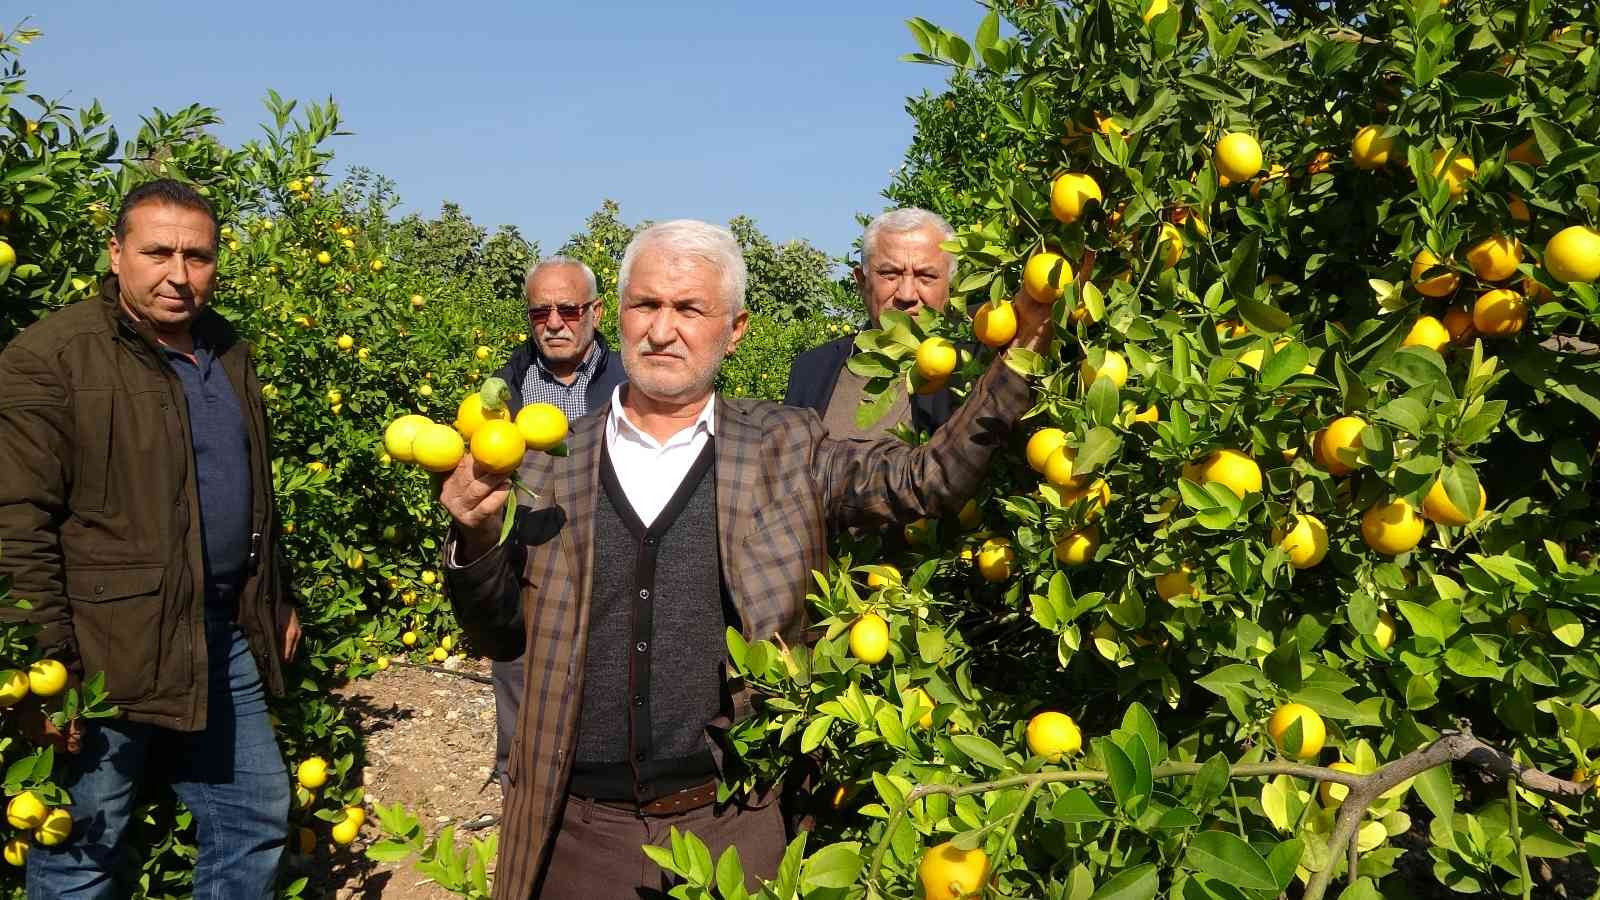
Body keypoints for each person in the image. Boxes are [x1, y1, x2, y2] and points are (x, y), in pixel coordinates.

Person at [437, 219, 1052, 899]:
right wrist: (473, 536)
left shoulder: (786, 446)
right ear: (619, 314)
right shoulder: (550, 461)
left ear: (735, 329)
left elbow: (925, 479)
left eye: (689, 308)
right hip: (581, 833)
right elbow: (498, 636)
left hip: (735, 823)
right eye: (646, 305)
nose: (662, 329)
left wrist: (1018, 356)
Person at [0, 179, 299, 899]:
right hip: (103, 651)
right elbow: (14, 520)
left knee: (255, 816)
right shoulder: (53, 357)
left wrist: (276, 598)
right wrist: (47, 664)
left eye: (197, 256)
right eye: (157, 251)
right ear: (116, 253)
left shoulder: (227, 350)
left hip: (219, 634)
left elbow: (255, 490)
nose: (178, 273)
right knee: (83, 849)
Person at [485, 257, 626, 791]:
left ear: (594, 312)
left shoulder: (629, 385)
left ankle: (594, 788)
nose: (554, 322)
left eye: (568, 309)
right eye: (540, 310)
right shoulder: (500, 391)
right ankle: (515, 783)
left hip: (604, 554)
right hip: (525, 555)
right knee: (518, 671)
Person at [784, 207, 958, 438]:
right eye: (890, 274)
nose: (906, 295)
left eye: (926, 276)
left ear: (951, 286)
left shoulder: (972, 369)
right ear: (862, 281)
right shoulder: (812, 370)